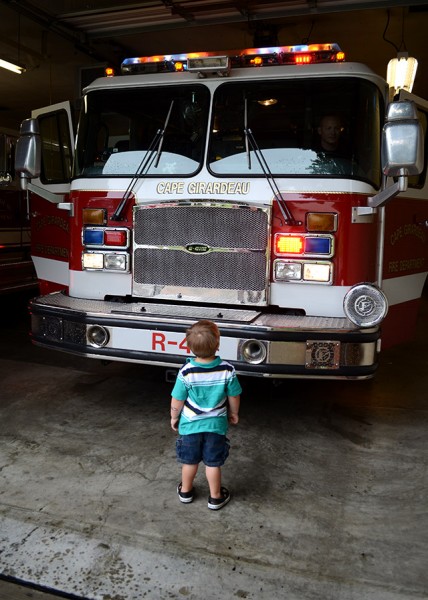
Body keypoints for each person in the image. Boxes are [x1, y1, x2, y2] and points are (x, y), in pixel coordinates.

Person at [170, 320, 242, 510]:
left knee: (190, 460)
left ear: (188, 346)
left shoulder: (186, 372)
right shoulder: (227, 370)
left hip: (190, 424)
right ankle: (215, 497)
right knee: (212, 463)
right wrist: (234, 413)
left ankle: (185, 491)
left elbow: (177, 399)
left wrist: (174, 417)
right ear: (218, 344)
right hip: (216, 425)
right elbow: (234, 395)